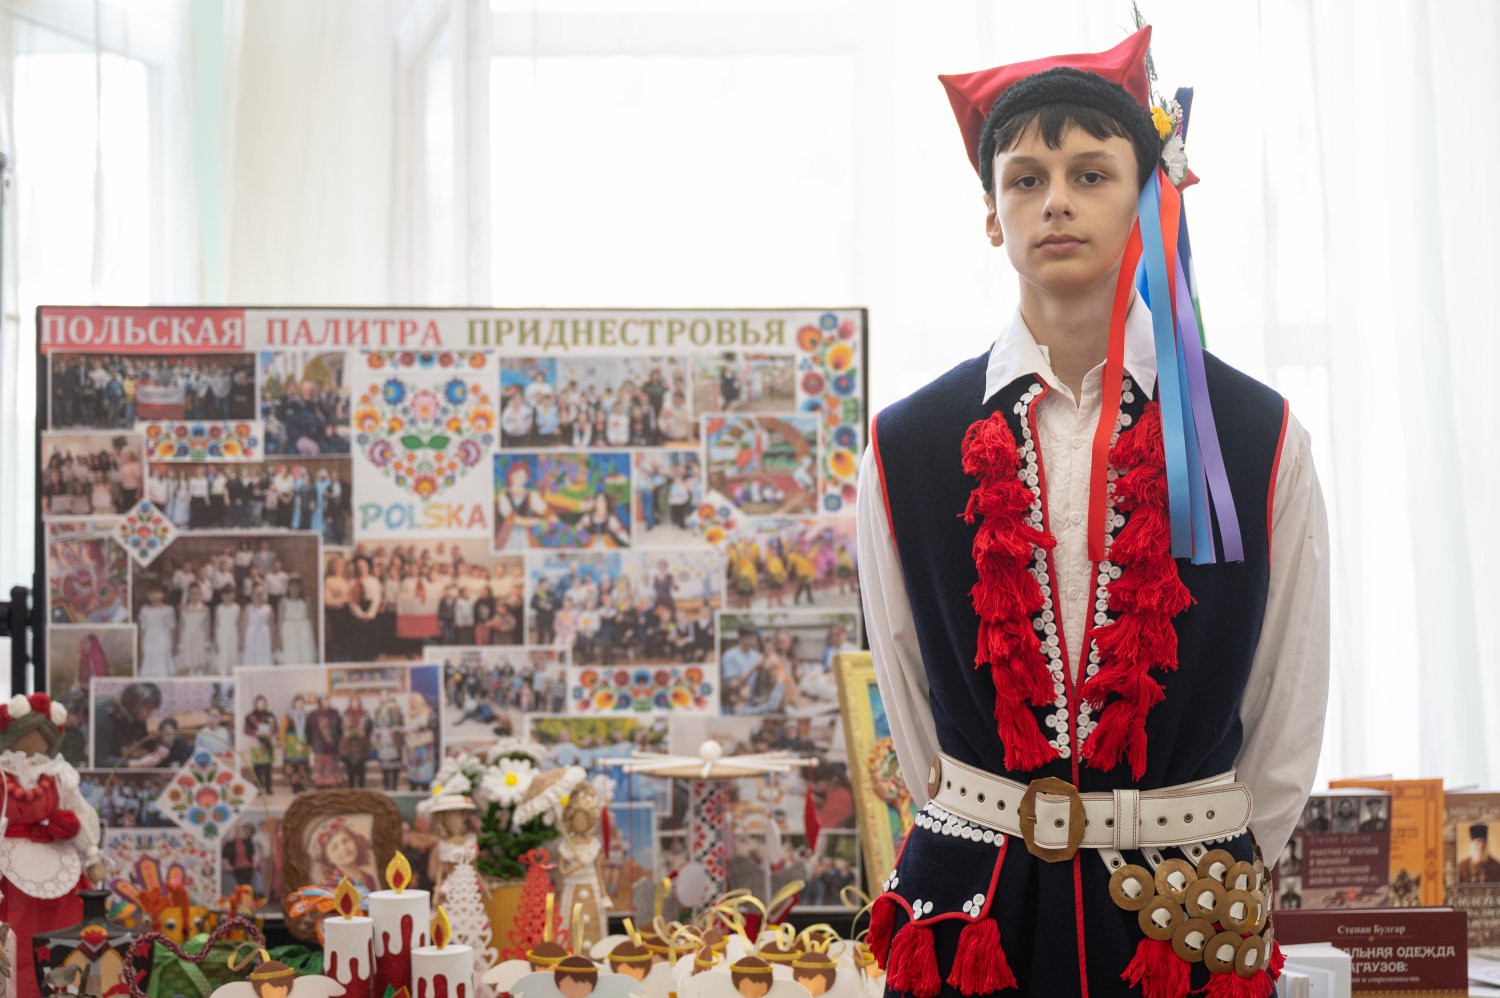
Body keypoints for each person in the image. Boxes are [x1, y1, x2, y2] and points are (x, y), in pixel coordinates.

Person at [856, 27, 1329, 996]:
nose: (1056, 201)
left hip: (1181, 911)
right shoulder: (905, 443)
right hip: (975, 910)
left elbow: (1288, 700)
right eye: (1026, 179)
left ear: (1147, 198)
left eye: (1090, 173)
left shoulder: (1258, 434)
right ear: (992, 217)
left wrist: (1205, 849)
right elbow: (908, 698)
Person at [0, 693, 105, 998]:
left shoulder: (58, 776)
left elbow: (79, 811)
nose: (36, 745)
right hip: (9, 866)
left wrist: (91, 852)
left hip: (54, 860)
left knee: (65, 930)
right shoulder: (3, 774)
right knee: (14, 935)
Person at [278, 575, 318, 665]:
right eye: (292, 585)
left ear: (300, 587)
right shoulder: (284, 602)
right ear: (288, 587)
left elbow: (311, 618)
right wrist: (280, 639)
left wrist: (313, 635)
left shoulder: (306, 601)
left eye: (297, 585)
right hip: (289, 630)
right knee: (291, 652)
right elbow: (280, 621)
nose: (295, 588)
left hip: (303, 630)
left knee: (304, 652)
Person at [137, 587, 177, 677]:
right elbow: (143, 629)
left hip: (164, 639)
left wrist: (173, 644)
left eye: (158, 592)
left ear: (163, 595)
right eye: (152, 593)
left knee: (163, 666)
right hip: (149, 640)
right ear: (148, 595)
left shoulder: (169, 610)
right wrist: (141, 647)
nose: (155, 595)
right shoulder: (144, 610)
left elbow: (172, 628)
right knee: (149, 666)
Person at [244, 694, 278, 792]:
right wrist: (255, 733)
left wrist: (271, 733)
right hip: (256, 743)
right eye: (259, 703)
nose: (261, 705)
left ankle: (268, 788)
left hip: (268, 744)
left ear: (266, 704)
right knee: (257, 767)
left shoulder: (270, 715)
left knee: (268, 767)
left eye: (263, 703)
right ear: (255, 704)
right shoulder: (250, 716)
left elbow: (276, 729)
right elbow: (246, 730)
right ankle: (257, 788)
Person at [281, 695, 311, 794]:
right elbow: (283, 730)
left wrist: (309, 743)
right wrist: (283, 742)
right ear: (294, 703)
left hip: (302, 742)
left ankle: (301, 784)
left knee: (302, 765)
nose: (300, 704)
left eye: (302, 702)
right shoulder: (288, 715)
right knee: (293, 765)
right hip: (291, 742)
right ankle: (294, 786)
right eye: (298, 702)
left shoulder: (306, 715)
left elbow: (309, 730)